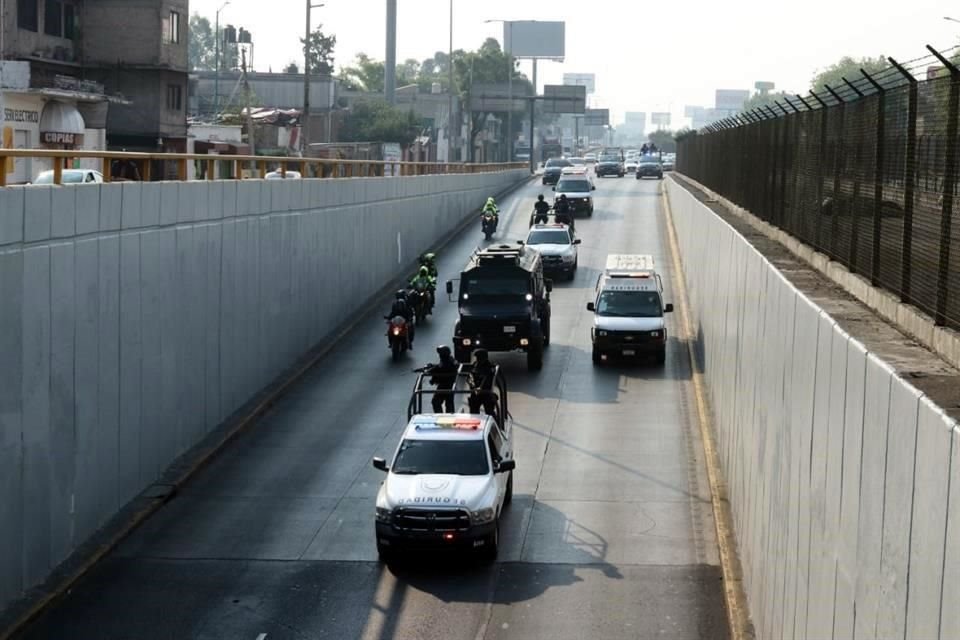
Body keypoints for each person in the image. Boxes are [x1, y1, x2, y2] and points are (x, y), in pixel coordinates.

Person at [427, 345, 459, 413]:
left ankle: (440, 416)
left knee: (436, 402)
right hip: (448, 384)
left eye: (440, 353)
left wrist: (428, 371)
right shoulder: (450, 359)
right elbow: (439, 366)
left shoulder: (447, 361)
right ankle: (448, 416)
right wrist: (432, 365)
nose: (439, 355)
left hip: (445, 385)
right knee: (449, 403)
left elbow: (440, 368)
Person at [468, 349, 498, 417]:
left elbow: (487, 378)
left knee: (489, 412)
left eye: (478, 358)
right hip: (475, 392)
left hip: (486, 392)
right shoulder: (475, 365)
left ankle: (496, 425)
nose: (477, 359)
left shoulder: (489, 367)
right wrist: (473, 386)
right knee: (473, 412)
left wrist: (480, 387)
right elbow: (470, 377)